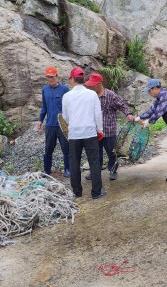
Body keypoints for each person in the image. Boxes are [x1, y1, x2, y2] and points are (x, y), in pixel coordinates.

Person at [62, 68, 106, 199]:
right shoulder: (91, 95)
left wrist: (74, 123)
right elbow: (97, 114)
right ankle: (96, 192)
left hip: (75, 134)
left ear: (72, 79)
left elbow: (65, 117)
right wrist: (100, 130)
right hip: (90, 132)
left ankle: (77, 192)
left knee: (74, 163)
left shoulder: (67, 96)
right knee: (94, 162)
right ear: (83, 80)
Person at [84, 73, 136, 180]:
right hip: (95, 131)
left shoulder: (110, 95)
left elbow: (122, 105)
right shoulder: (90, 96)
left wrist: (128, 114)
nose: (91, 87)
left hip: (109, 131)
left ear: (99, 83)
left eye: (93, 85)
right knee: (95, 153)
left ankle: (113, 170)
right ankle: (95, 172)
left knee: (112, 153)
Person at [36, 66, 70, 177]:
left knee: (66, 147)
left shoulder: (64, 89)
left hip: (62, 124)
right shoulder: (45, 89)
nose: (50, 79)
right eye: (48, 77)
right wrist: (40, 120)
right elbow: (44, 106)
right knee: (48, 147)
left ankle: (68, 169)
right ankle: (46, 171)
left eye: (52, 77)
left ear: (57, 76)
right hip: (50, 124)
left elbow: (69, 107)